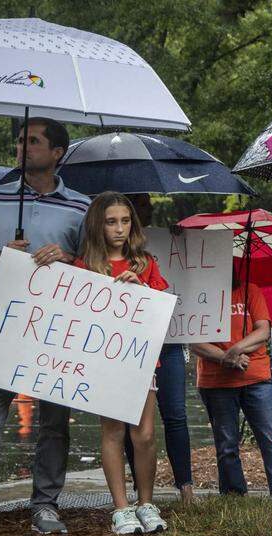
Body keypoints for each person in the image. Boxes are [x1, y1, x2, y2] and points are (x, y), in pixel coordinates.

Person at [0, 117, 89, 536]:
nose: (22, 147)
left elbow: (95, 269)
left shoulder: (81, 207)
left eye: (33, 141)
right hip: (2, 326)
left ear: (57, 153)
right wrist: (2, 256)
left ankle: (45, 504)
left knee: (54, 419)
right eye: (19, 140)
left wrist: (69, 259)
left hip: (56, 332)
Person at [72, 192, 169, 535]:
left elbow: (162, 310)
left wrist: (140, 287)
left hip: (141, 359)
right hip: (104, 362)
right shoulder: (84, 266)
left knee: (143, 435)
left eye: (125, 221)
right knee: (112, 432)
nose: (119, 228)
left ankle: (146, 502)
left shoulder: (145, 263)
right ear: (98, 224)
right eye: (111, 221)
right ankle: (121, 508)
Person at [122, 193, 194, 504]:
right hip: (132, 349)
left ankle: (186, 487)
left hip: (168, 343)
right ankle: (141, 491)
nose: (148, 208)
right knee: (130, 421)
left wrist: (183, 239)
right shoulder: (108, 254)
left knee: (175, 414)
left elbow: (162, 295)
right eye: (141, 204)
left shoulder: (161, 245)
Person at [191, 269, 272, 497]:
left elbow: (263, 330)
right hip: (216, 380)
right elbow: (194, 340)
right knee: (227, 444)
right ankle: (234, 497)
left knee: (271, 438)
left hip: (256, 376)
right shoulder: (201, 295)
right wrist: (225, 359)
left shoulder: (251, 290)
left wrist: (236, 350)